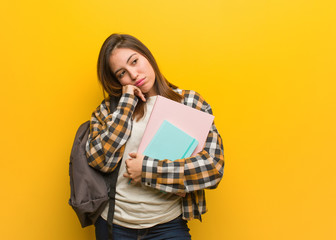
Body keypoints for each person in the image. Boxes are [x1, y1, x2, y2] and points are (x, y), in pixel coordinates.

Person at [85, 33, 225, 240]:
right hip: (114, 226)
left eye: (135, 61)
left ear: (146, 56)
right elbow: (100, 161)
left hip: (168, 226)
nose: (133, 74)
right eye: (122, 73)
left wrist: (147, 170)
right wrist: (125, 105)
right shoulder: (108, 110)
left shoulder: (189, 102)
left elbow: (213, 168)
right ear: (117, 81)